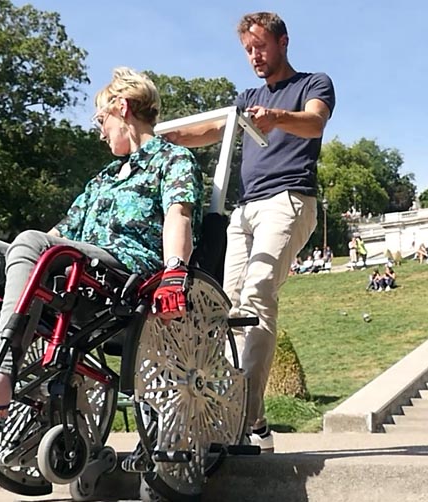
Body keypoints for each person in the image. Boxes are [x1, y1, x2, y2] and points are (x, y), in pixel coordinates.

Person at [0, 68, 203, 424]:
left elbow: (179, 215)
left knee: (32, 242)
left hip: (125, 272)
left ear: (122, 107)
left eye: (102, 119)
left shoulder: (172, 160)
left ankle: (0, 379)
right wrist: (18, 254)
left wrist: (176, 270)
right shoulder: (104, 178)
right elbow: (59, 233)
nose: (100, 132)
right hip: (75, 265)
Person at [163, 12, 335, 452]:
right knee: (226, 306)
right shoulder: (246, 97)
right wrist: (161, 136)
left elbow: (314, 122)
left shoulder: (313, 84)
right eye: (247, 50)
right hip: (245, 209)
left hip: (290, 199)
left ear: (282, 42)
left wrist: (277, 117)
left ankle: (238, 416)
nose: (254, 57)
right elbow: (210, 130)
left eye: (260, 46)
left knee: (257, 295)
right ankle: (249, 420)